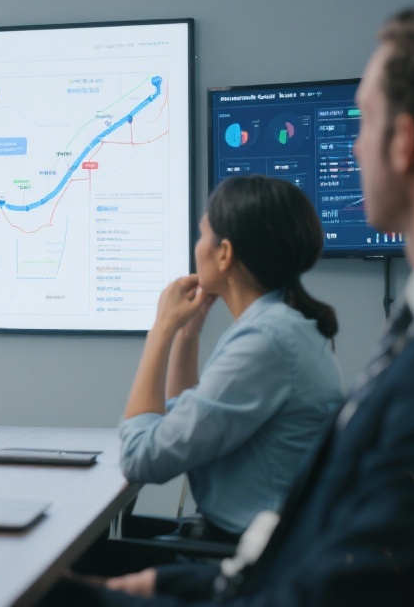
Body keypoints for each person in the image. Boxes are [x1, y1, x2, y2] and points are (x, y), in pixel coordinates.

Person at [53, 5, 414, 606]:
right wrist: (184, 582)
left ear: (406, 141)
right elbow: (337, 544)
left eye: (364, 120)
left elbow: (360, 585)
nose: (354, 146)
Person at [117, 175, 342, 541]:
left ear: (224, 253)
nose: (197, 246)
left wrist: (160, 331)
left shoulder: (265, 341)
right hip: (249, 541)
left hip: (247, 559)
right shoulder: (278, 324)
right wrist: (187, 337)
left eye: (203, 234)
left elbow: (141, 457)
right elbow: (185, 423)